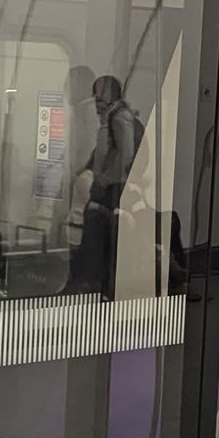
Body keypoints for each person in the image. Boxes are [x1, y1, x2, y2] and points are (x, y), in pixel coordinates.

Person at [65, 69, 141, 297]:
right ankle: (88, 279)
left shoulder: (120, 118)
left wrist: (103, 180)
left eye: (99, 99)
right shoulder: (109, 118)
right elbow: (101, 151)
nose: (96, 105)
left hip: (115, 187)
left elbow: (125, 156)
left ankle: (89, 280)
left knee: (94, 220)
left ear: (111, 98)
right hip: (109, 184)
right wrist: (85, 168)